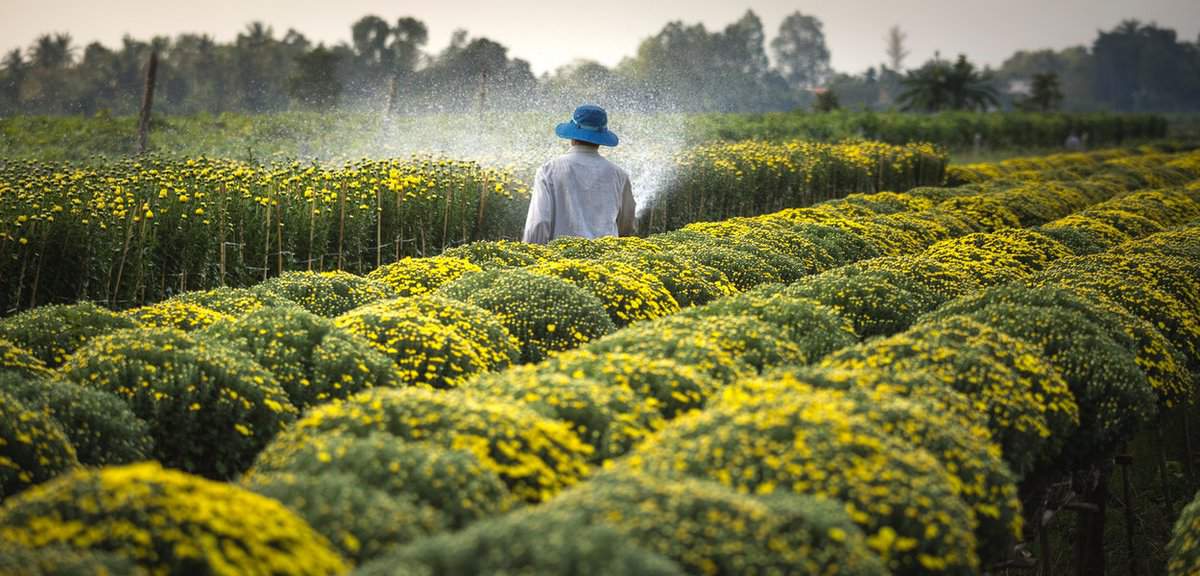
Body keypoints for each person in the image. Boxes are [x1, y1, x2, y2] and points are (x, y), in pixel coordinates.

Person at [522, 104, 636, 244]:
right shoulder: (619, 175)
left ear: (572, 136)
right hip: (607, 260)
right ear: (601, 138)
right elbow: (626, 222)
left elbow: (538, 223)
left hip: (559, 259)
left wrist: (532, 255)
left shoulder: (549, 170)